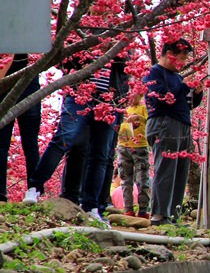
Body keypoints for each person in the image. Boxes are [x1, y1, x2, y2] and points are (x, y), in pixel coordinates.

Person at [23, 51, 127, 222]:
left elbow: (127, 68)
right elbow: (63, 60)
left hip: (109, 100)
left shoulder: (122, 38)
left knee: (101, 154)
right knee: (64, 137)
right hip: (79, 93)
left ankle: (91, 206)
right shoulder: (86, 28)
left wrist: (117, 53)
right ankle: (35, 187)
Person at [143, 38, 203, 225]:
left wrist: (197, 93)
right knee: (166, 170)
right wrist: (185, 86)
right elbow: (162, 98)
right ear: (170, 55)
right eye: (181, 59)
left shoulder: (177, 78)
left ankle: (173, 214)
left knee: (180, 171)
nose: (183, 63)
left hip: (181, 124)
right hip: (163, 123)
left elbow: (185, 104)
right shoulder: (154, 73)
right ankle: (159, 214)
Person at [0, 54, 41, 203]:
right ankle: (33, 189)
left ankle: (33, 189)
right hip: (12, 86)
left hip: (23, 84)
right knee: (25, 143)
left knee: (28, 142)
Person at [116, 88, 150, 217]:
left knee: (142, 179)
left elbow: (150, 120)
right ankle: (128, 208)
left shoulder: (143, 108)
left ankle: (143, 209)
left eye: (134, 93)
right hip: (123, 147)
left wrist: (139, 118)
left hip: (140, 146)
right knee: (125, 179)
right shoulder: (121, 108)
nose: (131, 97)